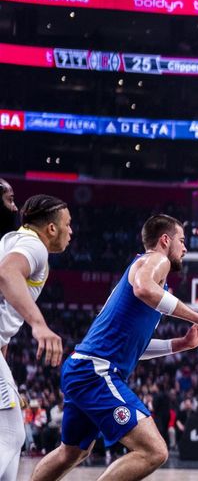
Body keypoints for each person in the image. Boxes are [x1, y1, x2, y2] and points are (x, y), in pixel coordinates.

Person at [31, 214, 198, 481]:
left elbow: (135, 348)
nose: (185, 248)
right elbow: (144, 288)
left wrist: (183, 343)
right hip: (96, 372)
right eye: (182, 240)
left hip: (83, 368)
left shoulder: (150, 279)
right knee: (154, 451)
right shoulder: (156, 260)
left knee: (71, 453)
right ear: (165, 240)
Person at [0, 195, 71, 481]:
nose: (71, 231)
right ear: (51, 229)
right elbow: (6, 273)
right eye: (68, 224)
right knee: (11, 434)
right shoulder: (34, 246)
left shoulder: (10, 239)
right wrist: (39, 324)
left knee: (9, 437)